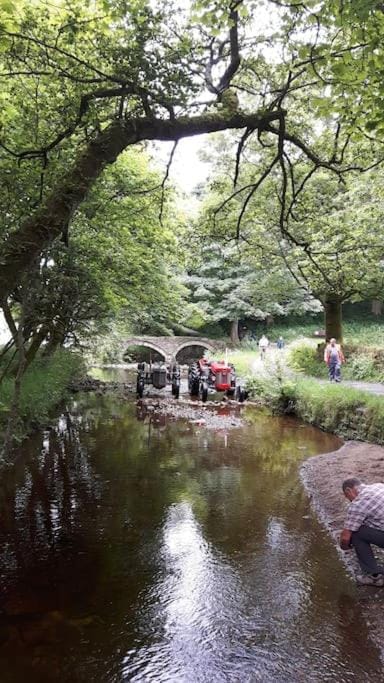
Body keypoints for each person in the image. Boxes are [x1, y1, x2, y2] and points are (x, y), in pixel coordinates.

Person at [340, 477, 384, 586]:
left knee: (355, 533)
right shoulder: (378, 486)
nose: (350, 500)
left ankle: (374, 576)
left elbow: (346, 537)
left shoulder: (357, 504)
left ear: (348, 491)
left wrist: (344, 546)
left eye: (347, 497)